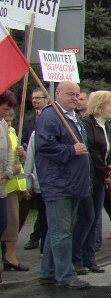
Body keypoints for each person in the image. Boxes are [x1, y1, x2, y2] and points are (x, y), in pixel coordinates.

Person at [35, 81, 92, 289]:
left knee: (58, 230)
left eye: (77, 95)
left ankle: (49, 271)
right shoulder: (51, 116)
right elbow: (44, 146)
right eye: (70, 94)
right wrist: (70, 150)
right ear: (57, 94)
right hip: (58, 183)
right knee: (62, 232)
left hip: (72, 183)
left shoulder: (73, 117)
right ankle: (65, 275)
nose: (74, 98)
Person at [76, 90, 111, 274]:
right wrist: (105, 171)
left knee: (94, 219)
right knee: (85, 218)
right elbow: (91, 152)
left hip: (101, 178)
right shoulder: (87, 125)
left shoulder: (107, 127)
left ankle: (90, 257)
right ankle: (77, 258)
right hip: (89, 178)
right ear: (100, 106)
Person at [2, 105, 29, 273]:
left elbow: (16, 157)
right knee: (9, 224)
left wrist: (22, 153)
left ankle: (10, 257)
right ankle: (9, 257)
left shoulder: (11, 132)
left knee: (12, 223)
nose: (8, 120)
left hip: (15, 184)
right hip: (6, 183)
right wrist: (11, 170)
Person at [21, 88, 48, 250]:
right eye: (33, 98)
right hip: (34, 172)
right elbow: (26, 141)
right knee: (42, 211)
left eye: (38, 97)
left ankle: (40, 240)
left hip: (47, 175)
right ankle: (36, 238)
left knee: (45, 214)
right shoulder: (29, 120)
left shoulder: (51, 117)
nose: (35, 100)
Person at [0, 91, 18, 283]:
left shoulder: (3, 125)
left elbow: (9, 153)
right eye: (5, 106)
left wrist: (7, 172)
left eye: (10, 107)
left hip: (2, 184)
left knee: (3, 223)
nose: (8, 111)